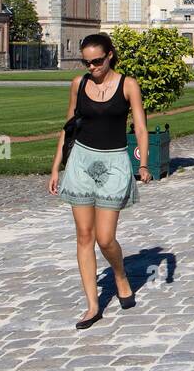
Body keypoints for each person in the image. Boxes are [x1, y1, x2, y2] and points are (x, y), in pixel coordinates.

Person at [48, 33, 152, 330]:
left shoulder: (128, 84)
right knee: (84, 235)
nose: (91, 66)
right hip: (81, 161)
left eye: (96, 61)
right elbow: (68, 128)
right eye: (86, 61)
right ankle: (93, 305)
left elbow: (141, 128)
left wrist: (142, 163)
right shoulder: (79, 85)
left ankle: (119, 274)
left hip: (115, 162)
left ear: (110, 55)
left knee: (105, 238)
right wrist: (56, 167)